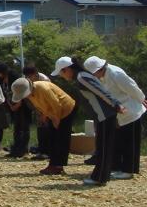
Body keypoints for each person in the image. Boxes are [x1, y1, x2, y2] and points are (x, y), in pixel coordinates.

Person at [51, 56, 125, 186]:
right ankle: (102, 176)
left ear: (67, 69)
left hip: (104, 115)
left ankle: (99, 177)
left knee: (103, 147)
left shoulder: (82, 77)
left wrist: (116, 105)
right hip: (103, 115)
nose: (62, 76)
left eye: (62, 72)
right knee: (104, 146)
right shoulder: (83, 76)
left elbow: (100, 91)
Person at [84, 56, 147, 180]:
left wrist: (142, 99)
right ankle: (118, 167)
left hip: (131, 110)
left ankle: (128, 170)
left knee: (130, 142)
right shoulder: (102, 76)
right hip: (119, 112)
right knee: (119, 141)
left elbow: (132, 87)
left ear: (100, 69)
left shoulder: (115, 73)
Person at [10, 73, 77, 176]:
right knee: (52, 138)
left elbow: (56, 105)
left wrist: (56, 120)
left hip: (66, 109)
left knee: (60, 138)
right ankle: (53, 164)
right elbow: (42, 105)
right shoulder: (31, 94)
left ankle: (58, 166)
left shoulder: (43, 88)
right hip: (53, 113)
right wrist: (45, 116)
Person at [0, 63, 30, 158]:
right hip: (12, 104)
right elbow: (5, 93)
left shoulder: (14, 76)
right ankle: (16, 149)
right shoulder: (2, 80)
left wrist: (18, 104)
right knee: (17, 128)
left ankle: (23, 149)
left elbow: (21, 91)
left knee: (24, 127)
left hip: (22, 104)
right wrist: (10, 106)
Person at [23, 64, 52, 160]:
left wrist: (45, 113)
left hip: (48, 106)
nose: (28, 78)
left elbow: (48, 99)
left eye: (29, 76)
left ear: (34, 74)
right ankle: (41, 150)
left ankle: (48, 151)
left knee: (47, 127)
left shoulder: (44, 80)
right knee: (40, 127)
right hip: (38, 106)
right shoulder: (29, 81)